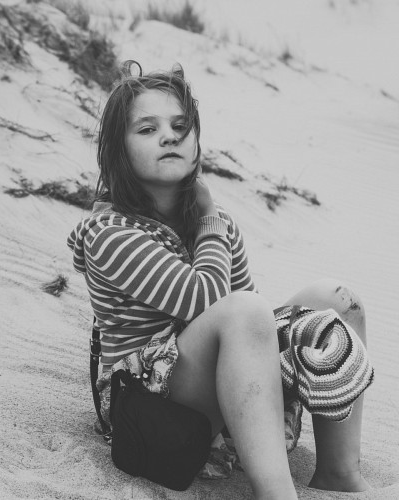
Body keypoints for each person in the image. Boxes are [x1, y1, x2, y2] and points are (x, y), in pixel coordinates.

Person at [67, 62, 373, 500]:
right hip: (147, 406)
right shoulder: (109, 233)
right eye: (148, 129)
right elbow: (209, 302)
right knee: (243, 311)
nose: (169, 136)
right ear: (118, 150)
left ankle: (339, 475)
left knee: (337, 300)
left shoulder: (217, 223)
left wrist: (213, 222)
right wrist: (209, 219)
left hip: (209, 385)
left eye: (180, 126)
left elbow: (251, 318)